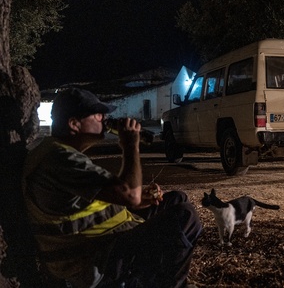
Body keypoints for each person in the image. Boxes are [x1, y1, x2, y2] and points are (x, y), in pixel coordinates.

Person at [22, 88, 202, 288]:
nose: (105, 119)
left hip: (103, 242)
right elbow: (129, 195)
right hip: (92, 261)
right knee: (185, 216)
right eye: (98, 114)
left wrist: (139, 198)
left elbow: (102, 200)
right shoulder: (60, 159)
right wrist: (130, 145)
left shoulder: (60, 153)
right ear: (74, 124)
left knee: (176, 199)